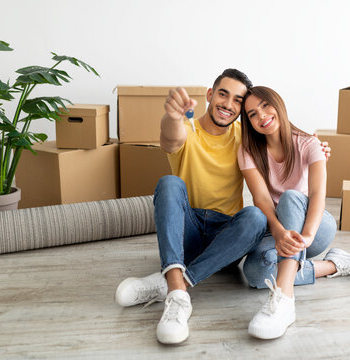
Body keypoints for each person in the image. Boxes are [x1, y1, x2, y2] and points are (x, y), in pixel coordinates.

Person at [114, 69, 269, 345]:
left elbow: (279, 138)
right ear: (210, 95)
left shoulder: (244, 137)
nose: (228, 104)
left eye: (237, 100)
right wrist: (172, 116)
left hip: (226, 240)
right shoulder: (187, 129)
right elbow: (170, 137)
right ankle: (178, 294)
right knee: (169, 183)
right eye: (223, 94)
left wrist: (313, 148)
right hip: (188, 233)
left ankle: (172, 283)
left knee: (256, 217)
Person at [238, 86, 350, 340]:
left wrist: (306, 235)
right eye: (252, 114)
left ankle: (283, 299)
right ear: (248, 122)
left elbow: (317, 194)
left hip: (315, 228)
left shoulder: (309, 143)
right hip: (281, 232)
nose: (261, 115)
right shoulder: (248, 151)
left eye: (265, 105)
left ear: (278, 103)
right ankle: (334, 265)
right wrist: (281, 231)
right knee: (253, 273)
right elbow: (261, 199)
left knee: (291, 197)